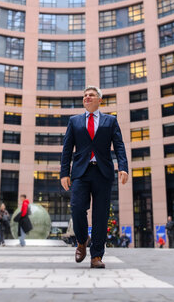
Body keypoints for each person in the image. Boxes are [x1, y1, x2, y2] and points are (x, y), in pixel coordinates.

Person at [61, 85, 128, 269]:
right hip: (80, 173)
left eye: (91, 95)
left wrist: (123, 167)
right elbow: (67, 149)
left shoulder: (110, 121)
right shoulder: (74, 121)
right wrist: (64, 173)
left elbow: (119, 146)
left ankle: (96, 255)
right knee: (76, 208)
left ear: (100, 100)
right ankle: (82, 241)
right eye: (84, 95)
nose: (87, 97)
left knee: (100, 215)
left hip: (103, 173)